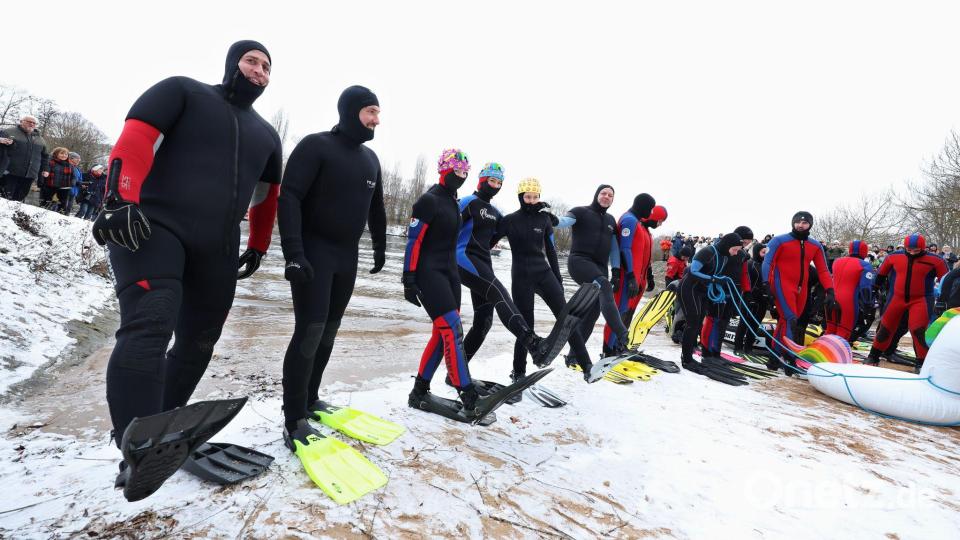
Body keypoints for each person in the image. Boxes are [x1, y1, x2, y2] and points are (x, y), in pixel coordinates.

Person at [90, 40, 282, 501]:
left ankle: (163, 436)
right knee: (150, 322)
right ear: (232, 62)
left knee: (199, 341)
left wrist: (257, 244)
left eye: (267, 67)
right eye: (252, 60)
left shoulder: (267, 136)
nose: (259, 71)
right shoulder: (182, 92)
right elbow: (135, 139)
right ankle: (133, 445)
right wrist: (120, 198)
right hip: (153, 226)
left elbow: (267, 196)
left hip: (217, 245)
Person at [276, 85, 386, 445]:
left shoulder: (371, 160)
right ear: (352, 110)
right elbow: (289, 196)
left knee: (329, 331)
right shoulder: (316, 145)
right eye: (371, 111)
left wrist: (381, 248)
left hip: (347, 256)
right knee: (309, 330)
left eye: (378, 113)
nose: (376, 120)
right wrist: (293, 252)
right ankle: (293, 419)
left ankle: (310, 398)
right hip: (313, 252)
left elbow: (377, 209)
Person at [456, 164, 565, 371]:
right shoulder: (468, 202)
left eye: (499, 182)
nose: (495, 185)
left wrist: (548, 216)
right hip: (464, 258)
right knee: (500, 294)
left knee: (483, 323)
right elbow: (446, 225)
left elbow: (519, 223)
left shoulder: (496, 213)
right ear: (481, 180)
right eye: (492, 181)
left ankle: (457, 374)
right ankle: (532, 343)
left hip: (482, 264)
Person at [404, 149, 485, 416]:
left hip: (450, 276)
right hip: (429, 274)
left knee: (443, 333)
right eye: (456, 172)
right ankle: (466, 390)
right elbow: (414, 242)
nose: (460, 177)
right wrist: (409, 278)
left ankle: (419, 391)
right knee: (453, 330)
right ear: (443, 170)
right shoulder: (428, 201)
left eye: (464, 173)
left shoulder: (453, 202)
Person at [499, 178, 598, 382]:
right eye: (528, 197)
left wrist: (558, 279)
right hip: (521, 278)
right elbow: (487, 240)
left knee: (566, 320)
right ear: (520, 197)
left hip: (544, 274)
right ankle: (518, 372)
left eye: (535, 197)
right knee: (526, 326)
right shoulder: (509, 220)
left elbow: (552, 251)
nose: (532, 201)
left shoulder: (544, 220)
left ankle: (587, 365)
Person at [556, 185, 630, 357]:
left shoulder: (611, 220)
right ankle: (622, 333)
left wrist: (617, 272)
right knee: (604, 286)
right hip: (579, 261)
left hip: (600, 267)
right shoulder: (580, 212)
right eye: (603, 193)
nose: (606, 197)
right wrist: (549, 217)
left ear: (613, 199)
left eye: (610, 195)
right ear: (597, 194)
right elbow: (563, 221)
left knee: (593, 312)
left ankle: (574, 355)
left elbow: (614, 248)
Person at [760, 211, 836, 370]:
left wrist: (830, 290)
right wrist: (766, 283)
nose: (801, 225)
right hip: (782, 284)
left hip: (802, 289)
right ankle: (789, 359)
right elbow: (767, 263)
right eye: (798, 222)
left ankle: (774, 358)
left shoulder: (815, 245)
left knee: (786, 321)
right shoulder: (779, 241)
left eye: (805, 223)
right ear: (793, 223)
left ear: (810, 225)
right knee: (791, 319)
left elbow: (823, 270)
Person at [866, 234, 949, 371]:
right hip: (896, 298)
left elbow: (946, 280)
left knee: (918, 331)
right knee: (885, 327)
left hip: (921, 299)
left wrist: (943, 300)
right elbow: (880, 275)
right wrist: (873, 291)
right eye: (909, 249)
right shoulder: (893, 256)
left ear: (924, 248)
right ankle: (873, 356)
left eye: (916, 250)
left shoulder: (936, 260)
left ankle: (921, 363)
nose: (912, 253)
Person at [678, 233, 743, 367]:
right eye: (735, 249)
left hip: (702, 291)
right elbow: (693, 271)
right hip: (689, 288)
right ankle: (686, 359)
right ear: (728, 245)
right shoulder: (707, 252)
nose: (736, 253)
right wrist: (713, 279)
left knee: (698, 323)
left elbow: (715, 274)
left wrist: (719, 281)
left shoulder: (724, 257)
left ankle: (690, 356)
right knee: (693, 323)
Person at [603, 194, 656, 354]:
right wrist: (630, 276)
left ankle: (614, 347)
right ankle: (607, 350)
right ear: (643, 206)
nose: (652, 212)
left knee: (622, 311)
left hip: (632, 277)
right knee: (617, 313)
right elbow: (624, 248)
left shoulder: (636, 222)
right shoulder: (629, 220)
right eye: (651, 208)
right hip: (627, 276)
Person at [699, 226, 754, 357]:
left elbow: (744, 273)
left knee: (724, 321)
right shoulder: (724, 251)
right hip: (718, 289)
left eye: (749, 240)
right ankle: (706, 350)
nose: (747, 242)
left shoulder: (743, 255)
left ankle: (716, 350)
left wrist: (747, 291)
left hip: (733, 291)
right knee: (713, 319)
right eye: (745, 239)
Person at [824, 240, 875, 342]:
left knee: (830, 330)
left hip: (830, 298)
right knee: (843, 331)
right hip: (848, 301)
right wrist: (868, 304)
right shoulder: (865, 265)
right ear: (864, 251)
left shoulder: (837, 261)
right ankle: (834, 356)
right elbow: (865, 287)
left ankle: (821, 353)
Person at [0, 115, 49, 201]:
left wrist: (45, 169)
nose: (31, 124)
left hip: (30, 174)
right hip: (10, 172)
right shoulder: (8, 132)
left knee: (19, 200)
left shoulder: (40, 139)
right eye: (29, 122)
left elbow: (45, 156)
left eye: (34, 123)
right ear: (21, 121)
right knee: (5, 198)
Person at [733, 242, 768, 354]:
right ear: (757, 252)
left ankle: (748, 348)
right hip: (749, 298)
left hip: (762, 300)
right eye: (763, 252)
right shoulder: (750, 263)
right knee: (744, 323)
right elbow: (744, 281)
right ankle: (738, 347)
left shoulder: (767, 265)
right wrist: (749, 296)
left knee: (755, 324)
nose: (766, 255)